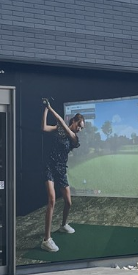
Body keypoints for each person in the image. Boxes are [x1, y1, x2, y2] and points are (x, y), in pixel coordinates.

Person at [40, 99, 84, 252]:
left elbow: (62, 123)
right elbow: (44, 128)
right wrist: (46, 109)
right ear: (74, 121)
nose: (80, 129)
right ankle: (46, 240)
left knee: (68, 202)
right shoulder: (59, 128)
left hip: (61, 169)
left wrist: (50, 107)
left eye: (81, 128)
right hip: (49, 167)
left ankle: (63, 225)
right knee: (51, 200)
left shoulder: (74, 138)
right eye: (79, 125)